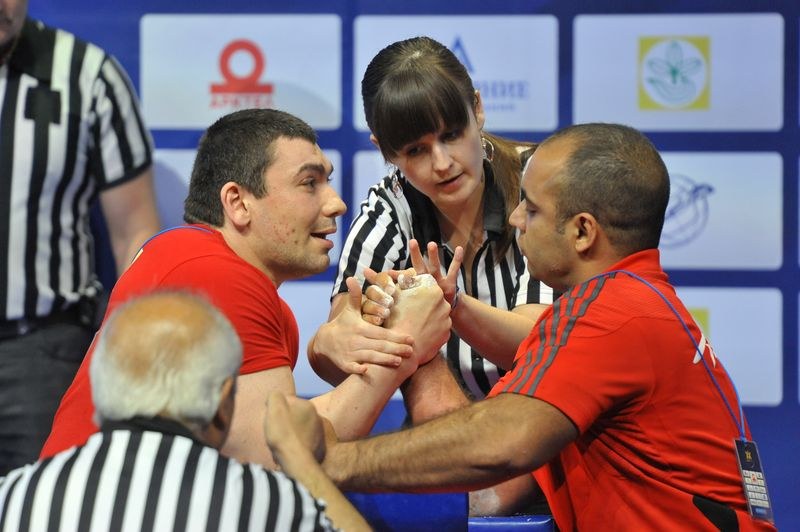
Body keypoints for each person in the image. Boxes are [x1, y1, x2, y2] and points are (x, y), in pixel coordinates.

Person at [318, 123, 776, 531]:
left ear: (582, 232)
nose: (515, 220)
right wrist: (427, 335)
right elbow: (487, 458)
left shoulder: (609, 317)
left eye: (531, 210)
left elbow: (497, 448)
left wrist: (331, 459)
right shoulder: (627, 301)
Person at [40, 108, 451, 469]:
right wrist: (403, 346)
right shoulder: (210, 270)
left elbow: (261, 451)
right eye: (310, 183)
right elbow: (277, 462)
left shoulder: (196, 260)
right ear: (237, 202)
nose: (336, 203)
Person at [308, 35, 555, 515]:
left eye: (450, 135)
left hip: (545, 420)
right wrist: (348, 335)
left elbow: (535, 345)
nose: (441, 163)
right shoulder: (390, 205)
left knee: (417, 315)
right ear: (385, 150)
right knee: (409, 326)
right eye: (417, 150)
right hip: (444, 429)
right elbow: (337, 344)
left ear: (477, 110)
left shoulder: (543, 184)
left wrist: (449, 308)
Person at [0, 291, 368, 531]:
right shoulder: (265, 502)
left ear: (100, 388)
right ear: (225, 402)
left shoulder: (15, 497)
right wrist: (302, 464)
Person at [0, 0, 160, 475]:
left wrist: (129, 354)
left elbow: (135, 232)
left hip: (44, 352)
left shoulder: (88, 76)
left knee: (45, 511)